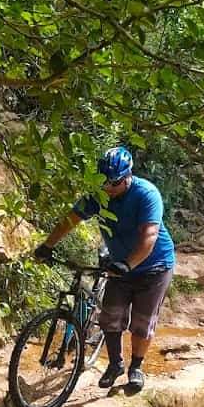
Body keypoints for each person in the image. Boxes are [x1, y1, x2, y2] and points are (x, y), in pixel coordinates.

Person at [32, 146, 174, 393]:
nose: (109, 187)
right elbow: (71, 219)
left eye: (114, 182)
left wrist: (128, 264)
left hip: (154, 265)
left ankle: (136, 368)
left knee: (142, 323)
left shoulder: (146, 194)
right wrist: (47, 245)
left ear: (128, 176)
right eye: (105, 182)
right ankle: (115, 364)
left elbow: (149, 235)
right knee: (110, 316)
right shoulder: (98, 195)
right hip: (119, 264)